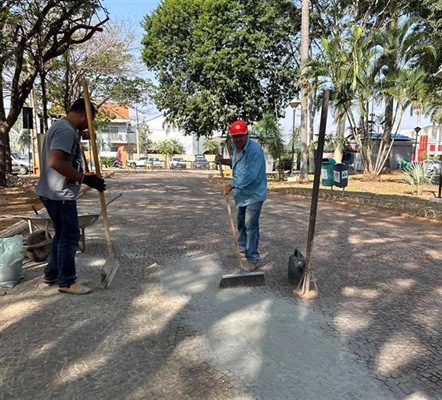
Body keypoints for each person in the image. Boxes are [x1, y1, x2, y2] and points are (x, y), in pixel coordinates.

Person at [35, 98, 106, 295]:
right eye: (90, 120)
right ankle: (67, 282)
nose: (90, 125)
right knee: (70, 236)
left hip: (55, 192)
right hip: (59, 195)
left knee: (61, 234)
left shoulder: (65, 129)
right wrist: (83, 178)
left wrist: (87, 177)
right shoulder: (66, 131)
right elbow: (55, 162)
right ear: (84, 114)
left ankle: (52, 273)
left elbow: (66, 162)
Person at [216, 120, 267, 270]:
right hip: (242, 195)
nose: (238, 139)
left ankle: (253, 258)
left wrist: (231, 185)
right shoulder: (235, 148)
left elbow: (250, 175)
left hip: (254, 194)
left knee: (250, 225)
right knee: (241, 222)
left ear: (247, 134)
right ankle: (243, 249)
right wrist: (223, 161)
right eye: (235, 136)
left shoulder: (255, 151)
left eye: (241, 136)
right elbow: (236, 163)